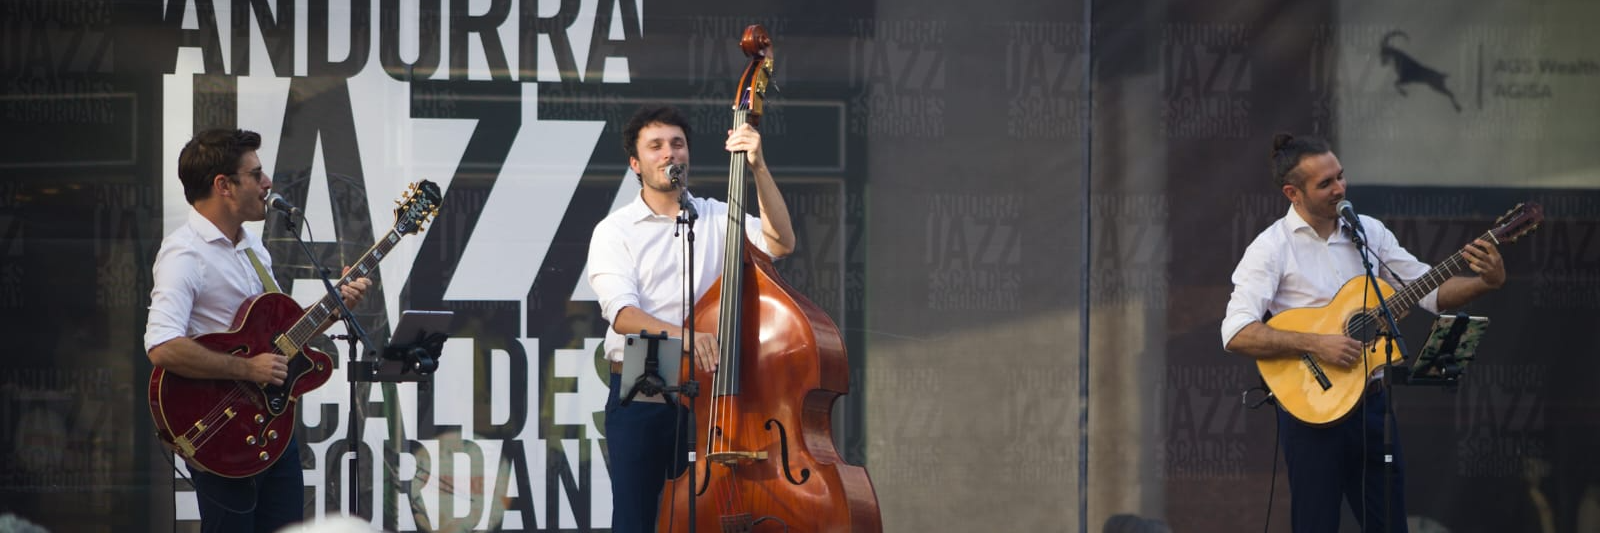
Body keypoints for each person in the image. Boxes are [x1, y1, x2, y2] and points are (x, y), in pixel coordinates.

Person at [1221, 133, 1506, 532]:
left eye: (1340, 176)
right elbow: (1236, 332)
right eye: (1326, 184)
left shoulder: (1368, 232)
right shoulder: (1270, 249)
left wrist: (1485, 282)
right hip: (1310, 413)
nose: (1340, 188)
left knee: (1389, 524)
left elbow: (1430, 289)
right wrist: (1317, 343)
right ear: (1293, 192)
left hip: (1372, 407)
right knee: (1316, 524)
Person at [144, 128, 371, 533]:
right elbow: (161, 347)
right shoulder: (185, 254)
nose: (268, 184)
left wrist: (335, 309)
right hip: (221, 433)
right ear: (223, 186)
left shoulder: (251, 245)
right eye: (256, 174)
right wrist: (248, 371)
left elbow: (277, 336)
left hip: (271, 427)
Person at [586, 105, 796, 531]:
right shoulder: (615, 230)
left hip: (713, 380)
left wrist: (757, 167)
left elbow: (780, 242)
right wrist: (687, 336)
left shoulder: (717, 216)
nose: (669, 154)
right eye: (656, 146)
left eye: (677, 144)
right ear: (636, 164)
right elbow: (623, 315)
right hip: (647, 374)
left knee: (710, 508)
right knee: (637, 516)